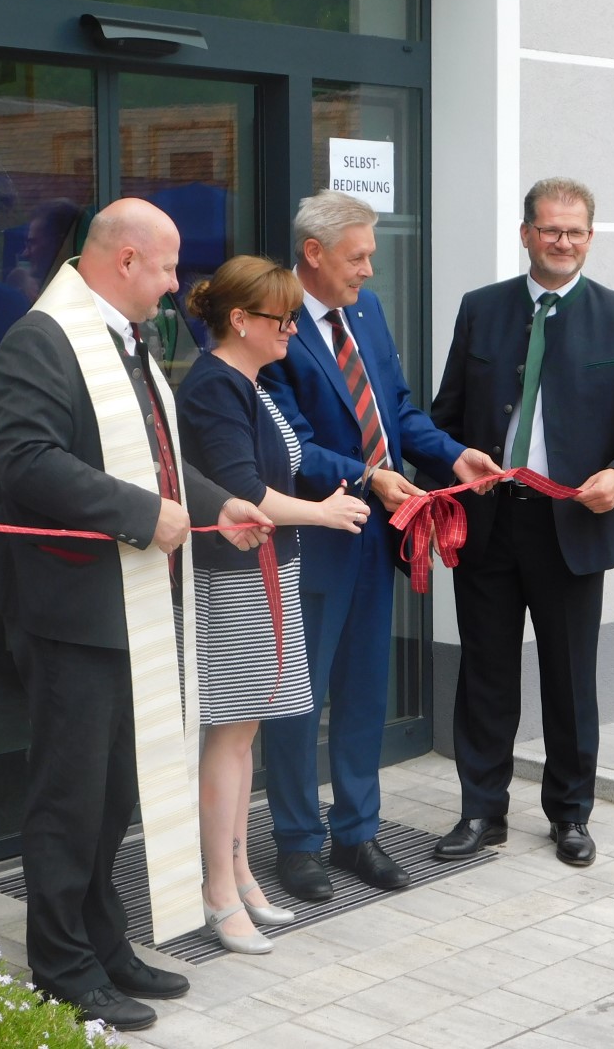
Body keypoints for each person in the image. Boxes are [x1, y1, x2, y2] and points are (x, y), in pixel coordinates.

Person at [0, 198, 272, 1031]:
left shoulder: (128, 340)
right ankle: (62, 966)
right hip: (70, 611)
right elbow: (27, 462)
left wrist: (221, 505)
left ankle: (105, 942)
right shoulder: (42, 340)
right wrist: (145, 516)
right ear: (125, 261)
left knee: (114, 795)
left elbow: (160, 462)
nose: (178, 285)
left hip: (128, 602)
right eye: (169, 267)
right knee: (70, 797)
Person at [258, 191, 502, 902]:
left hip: (377, 535)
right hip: (312, 536)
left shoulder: (364, 310)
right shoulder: (273, 321)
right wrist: (369, 476)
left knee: (365, 690)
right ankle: (297, 843)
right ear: (313, 253)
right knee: (298, 699)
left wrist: (453, 455)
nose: (369, 270)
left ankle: (357, 833)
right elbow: (291, 445)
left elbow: (395, 411)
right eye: (358, 256)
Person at [428, 177, 614, 868]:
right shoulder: (481, 309)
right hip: (489, 523)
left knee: (569, 679)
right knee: (485, 674)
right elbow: (445, 417)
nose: (562, 242)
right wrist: (449, 472)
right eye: (550, 229)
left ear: (589, 238)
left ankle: (570, 815)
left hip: (572, 526)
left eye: (575, 232)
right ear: (527, 233)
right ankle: (481, 812)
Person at [176, 255, 371, 953]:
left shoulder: (248, 382)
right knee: (229, 737)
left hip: (266, 567)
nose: (291, 329)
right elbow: (246, 492)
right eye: (281, 319)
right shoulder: (215, 385)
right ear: (240, 321)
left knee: (243, 734)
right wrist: (325, 514)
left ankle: (238, 873)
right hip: (234, 577)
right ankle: (219, 891)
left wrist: (315, 511)